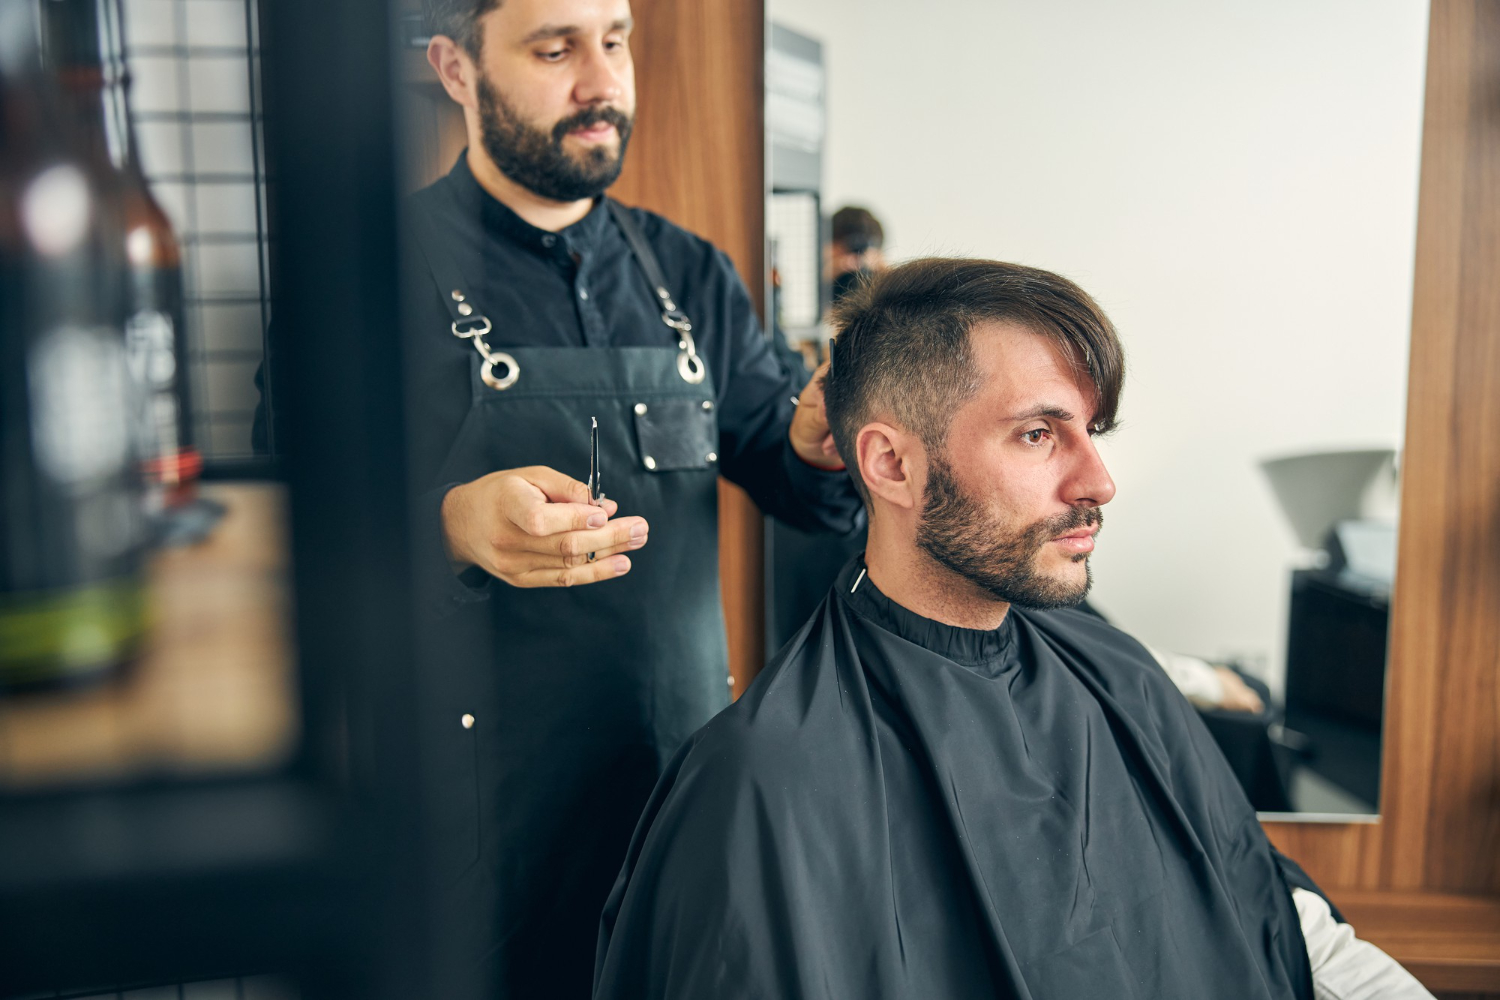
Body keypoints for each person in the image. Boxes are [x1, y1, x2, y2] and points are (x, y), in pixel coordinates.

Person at [593, 258, 1432, 999]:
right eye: (1038, 434)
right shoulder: (764, 782)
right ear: (891, 464)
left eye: (1091, 433)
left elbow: (1280, 925)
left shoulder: (1117, 673)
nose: (1098, 481)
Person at [255, 0, 858, 994]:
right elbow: (286, 523)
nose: (602, 82)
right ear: (455, 69)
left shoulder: (689, 273)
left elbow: (786, 473)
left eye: (614, 41)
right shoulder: (368, 275)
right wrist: (448, 521)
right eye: (554, 48)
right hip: (475, 834)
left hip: (677, 796)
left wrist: (815, 442)